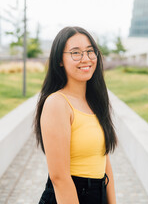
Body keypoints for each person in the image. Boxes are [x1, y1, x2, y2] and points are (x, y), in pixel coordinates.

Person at [34, 26, 117, 204]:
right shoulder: (57, 103)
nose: (85, 58)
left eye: (90, 51)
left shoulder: (95, 101)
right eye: (76, 53)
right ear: (60, 60)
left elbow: (103, 159)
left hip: (98, 193)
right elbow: (59, 178)